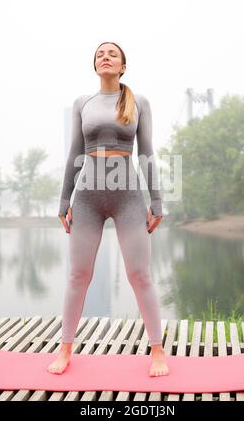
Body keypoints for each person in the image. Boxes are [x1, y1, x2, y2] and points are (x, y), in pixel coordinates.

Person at [47, 41, 169, 377]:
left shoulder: (138, 102)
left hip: (127, 195)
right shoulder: (82, 103)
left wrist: (156, 202)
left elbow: (147, 153)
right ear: (94, 65)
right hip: (87, 197)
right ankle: (65, 350)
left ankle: (157, 353)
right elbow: (74, 154)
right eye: (100, 54)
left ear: (123, 66)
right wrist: (63, 201)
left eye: (112, 54)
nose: (105, 57)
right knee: (77, 275)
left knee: (140, 275)